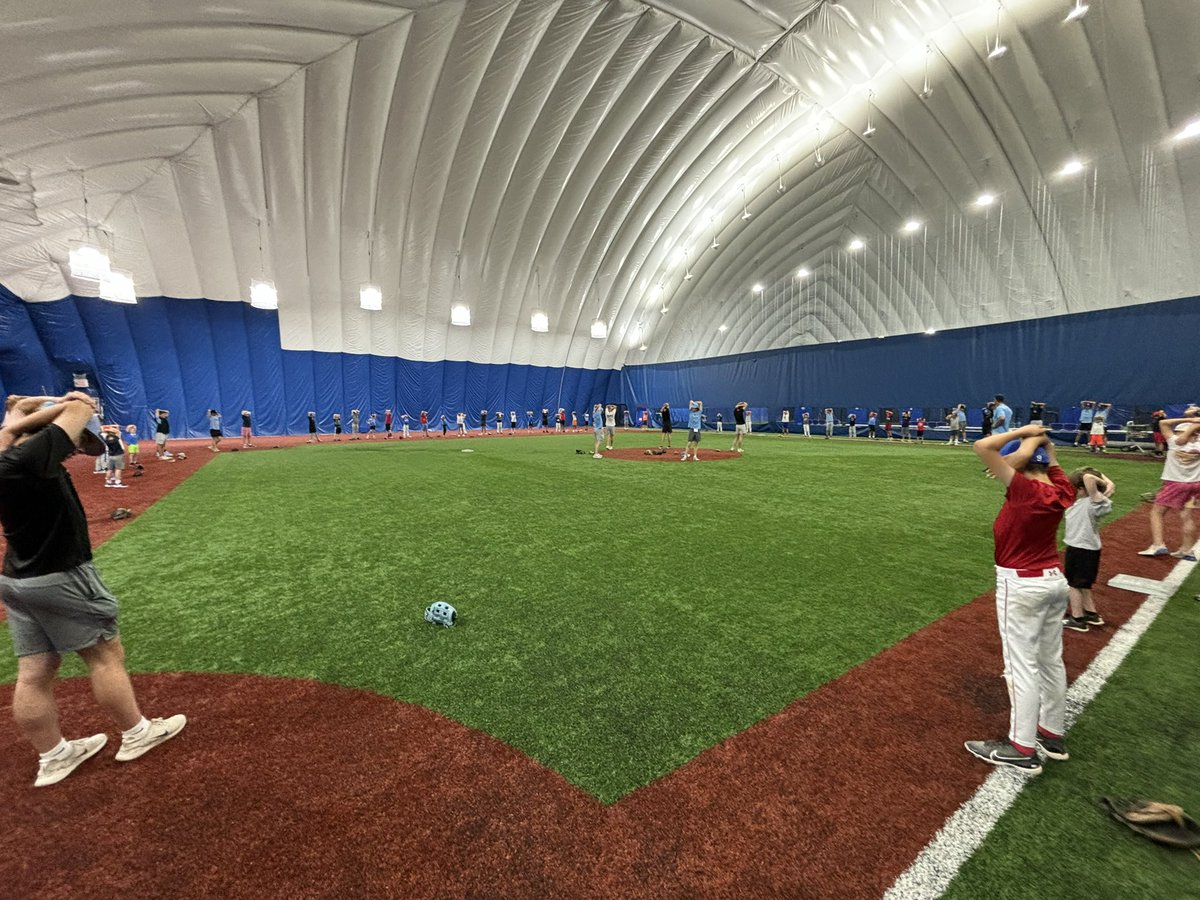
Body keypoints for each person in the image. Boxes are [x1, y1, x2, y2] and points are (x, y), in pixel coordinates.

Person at [0, 393, 186, 787]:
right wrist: (70, 400)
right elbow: (80, 408)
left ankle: (54, 757)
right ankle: (137, 733)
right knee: (105, 655)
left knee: (33, 673)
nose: (71, 449)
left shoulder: (5, 456)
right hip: (60, 575)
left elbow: (15, 419)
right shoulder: (30, 457)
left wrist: (24, 413)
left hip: (17, 580)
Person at [967, 424, 1075, 774]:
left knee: (1020, 666)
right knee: (1050, 660)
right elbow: (1051, 461)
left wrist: (1026, 432)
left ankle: (1021, 747)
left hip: (1022, 584)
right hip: (1054, 581)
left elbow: (983, 446)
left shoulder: (1024, 489)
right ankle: (1051, 733)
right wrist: (1039, 443)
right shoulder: (1060, 489)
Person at [1138, 407, 1200, 559]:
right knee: (1187, 516)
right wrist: (1195, 422)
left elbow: (1164, 423)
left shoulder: (1174, 443)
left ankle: (1158, 545)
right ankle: (1186, 550)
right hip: (1195, 484)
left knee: (1157, 512)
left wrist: (1189, 419)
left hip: (1175, 483)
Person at [1062, 468, 1115, 633]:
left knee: (1073, 584)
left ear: (1083, 488)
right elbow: (1108, 485)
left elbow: (1088, 477)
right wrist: (1102, 478)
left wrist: (1097, 478)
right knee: (1083, 584)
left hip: (1080, 548)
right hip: (1087, 549)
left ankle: (1077, 619)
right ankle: (1091, 614)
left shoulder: (1093, 501)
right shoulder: (1098, 500)